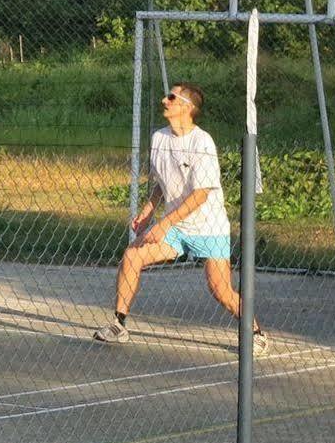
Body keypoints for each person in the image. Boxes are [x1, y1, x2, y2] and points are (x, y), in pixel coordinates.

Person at [92, 82, 268, 355]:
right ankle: (119, 324)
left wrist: (163, 224)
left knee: (220, 290)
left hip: (208, 227)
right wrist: (148, 211)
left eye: (171, 97)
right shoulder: (159, 138)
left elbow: (200, 195)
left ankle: (256, 334)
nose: (165, 100)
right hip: (175, 228)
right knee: (132, 257)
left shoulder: (202, 142)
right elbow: (162, 184)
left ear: (187, 107)